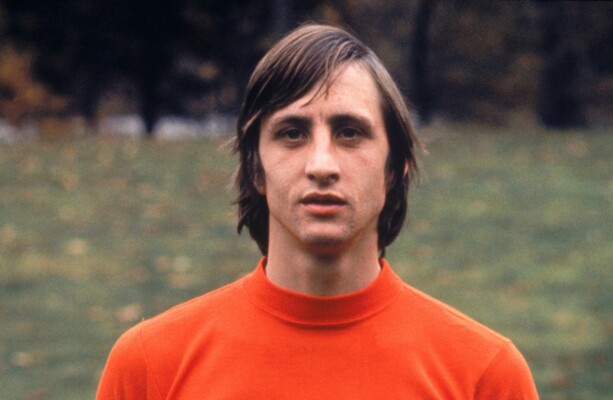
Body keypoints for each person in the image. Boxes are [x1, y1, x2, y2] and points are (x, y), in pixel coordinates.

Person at [96, 24, 539, 399]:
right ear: (255, 167)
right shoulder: (150, 368)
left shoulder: (485, 376)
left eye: (349, 132)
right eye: (292, 133)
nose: (321, 165)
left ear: (394, 167)